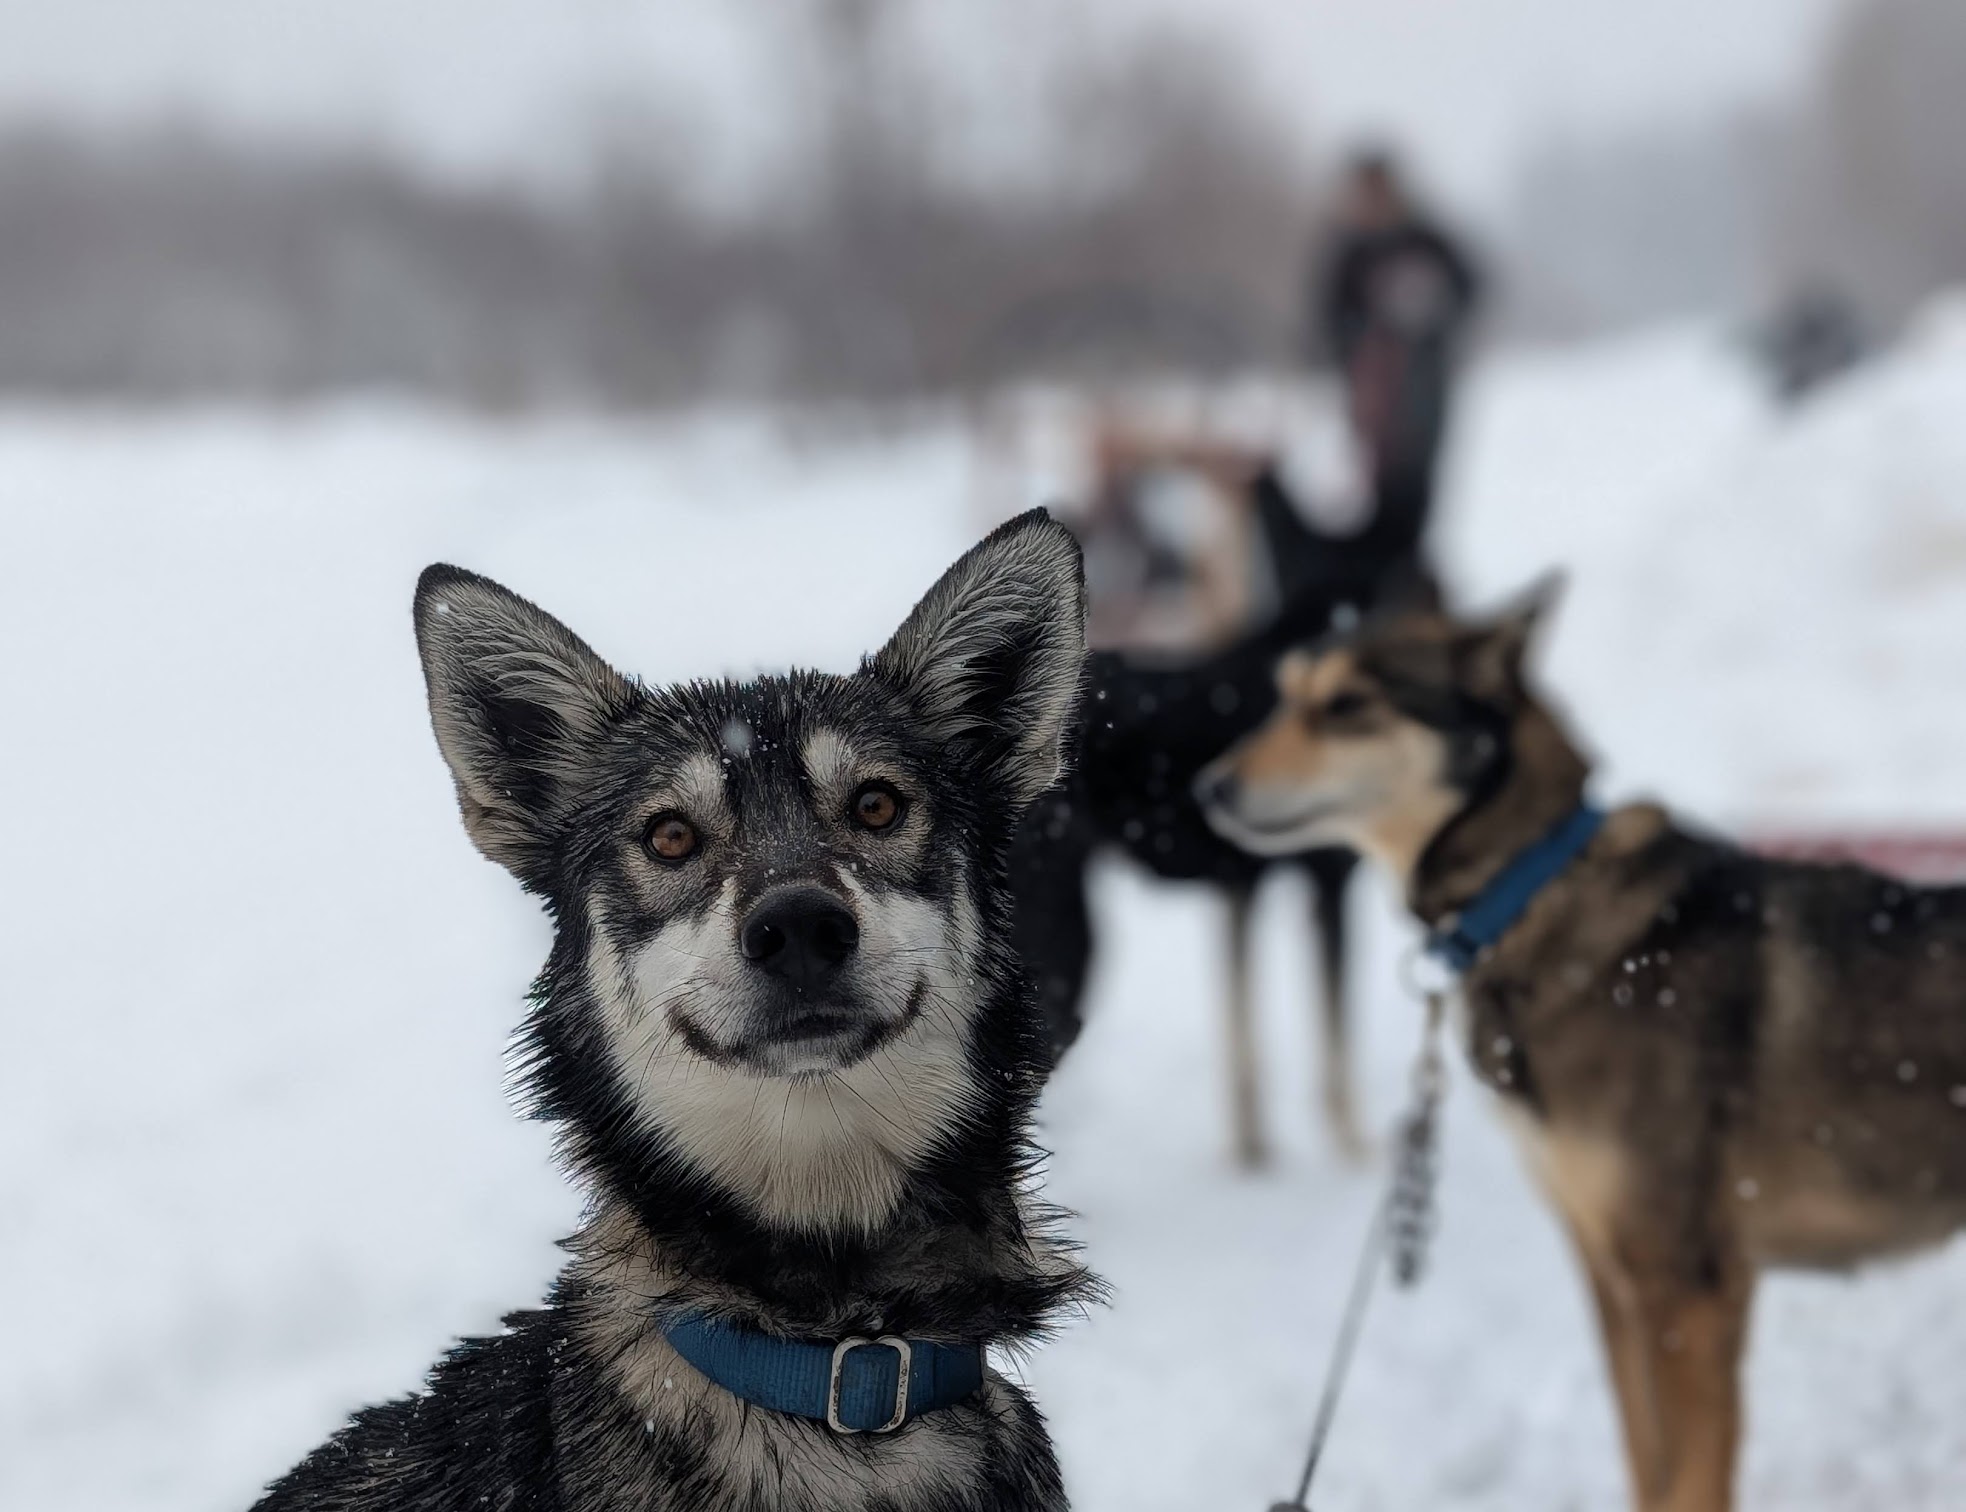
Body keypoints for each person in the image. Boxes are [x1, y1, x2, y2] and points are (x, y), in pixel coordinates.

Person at [1312, 149, 1481, 554]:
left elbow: (1469, 289)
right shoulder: (1351, 252)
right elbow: (1328, 319)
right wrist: (1361, 351)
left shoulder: (1428, 241)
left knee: (1418, 486)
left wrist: (1433, 320)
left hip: (1424, 386)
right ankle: (1385, 580)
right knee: (1380, 487)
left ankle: (1411, 571)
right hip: (1375, 394)